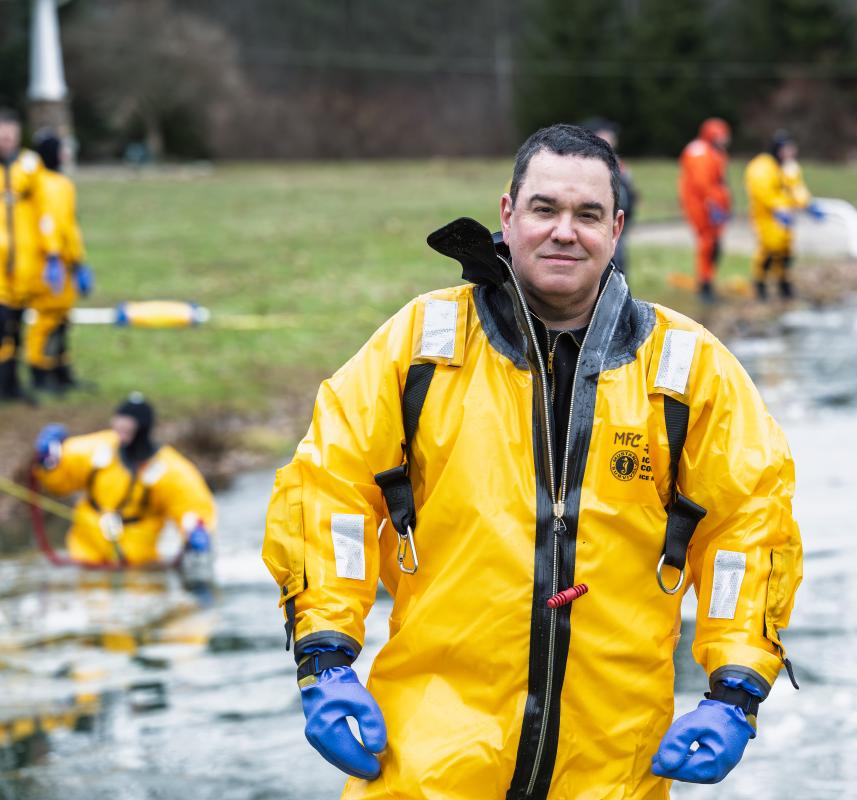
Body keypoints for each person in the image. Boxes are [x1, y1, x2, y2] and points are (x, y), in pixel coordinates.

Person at [263, 123, 803, 797]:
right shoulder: (422, 347)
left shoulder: (690, 371)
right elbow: (327, 488)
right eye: (545, 209)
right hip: (430, 765)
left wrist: (736, 689)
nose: (564, 231)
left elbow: (748, 529)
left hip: (612, 769)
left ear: (616, 227)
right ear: (509, 215)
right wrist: (326, 656)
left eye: (587, 215)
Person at [32, 393, 216, 573]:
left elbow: (191, 503)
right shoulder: (98, 448)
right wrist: (49, 461)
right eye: (119, 419)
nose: (120, 425)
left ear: (142, 427)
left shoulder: (169, 469)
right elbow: (60, 480)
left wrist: (197, 530)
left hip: (138, 564)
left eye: (128, 421)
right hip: (85, 558)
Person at [0, 108, 61, 403]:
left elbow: (44, 212)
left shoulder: (28, 165)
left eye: (10, 134)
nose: (5, 140)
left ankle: (11, 385)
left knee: (16, 327)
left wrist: (52, 253)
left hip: (24, 266)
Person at [28, 131, 92, 393]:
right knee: (46, 319)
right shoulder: (41, 183)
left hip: (67, 262)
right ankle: (40, 371)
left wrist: (78, 261)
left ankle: (60, 369)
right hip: (47, 264)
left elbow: (69, 226)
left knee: (63, 319)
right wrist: (52, 258)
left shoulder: (62, 183)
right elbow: (48, 224)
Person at [744, 130, 824, 301]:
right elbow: (762, 192)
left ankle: (784, 284)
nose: (791, 153)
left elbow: (796, 188)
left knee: (786, 250)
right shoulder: (761, 166)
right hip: (765, 216)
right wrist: (778, 208)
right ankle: (760, 285)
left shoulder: (789, 167)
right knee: (769, 249)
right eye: (787, 149)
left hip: (785, 215)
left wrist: (808, 204)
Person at [678, 118, 732, 301]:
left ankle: (708, 282)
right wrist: (712, 204)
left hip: (713, 206)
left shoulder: (715, 152)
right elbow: (702, 184)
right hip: (701, 206)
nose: (724, 139)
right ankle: (705, 285)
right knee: (707, 243)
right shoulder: (699, 152)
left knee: (714, 245)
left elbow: (720, 181)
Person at [584, 118, 638, 275]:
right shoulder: (592, 164)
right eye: (608, 133)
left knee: (620, 263)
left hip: (620, 224)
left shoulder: (618, 162)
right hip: (603, 224)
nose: (613, 137)